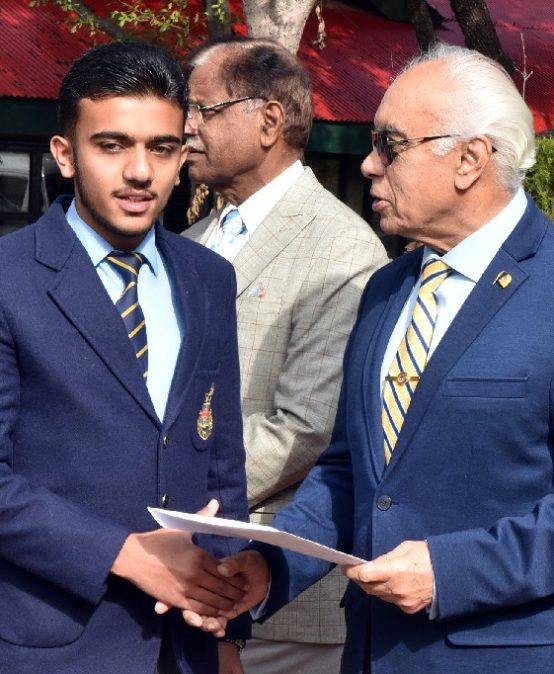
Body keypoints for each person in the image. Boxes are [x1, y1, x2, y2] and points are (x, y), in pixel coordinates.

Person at [201, 42, 554, 673]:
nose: (368, 165)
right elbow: (349, 472)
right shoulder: (387, 289)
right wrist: (273, 566)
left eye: (390, 144)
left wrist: (452, 571)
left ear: (470, 159)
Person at [0, 41, 250, 674]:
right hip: (54, 645)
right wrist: (123, 554)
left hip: (188, 647)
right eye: (112, 145)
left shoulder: (209, 277)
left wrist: (226, 627)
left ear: (182, 157)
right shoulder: (8, 279)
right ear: (65, 154)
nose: (140, 171)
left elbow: (221, 464)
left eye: (161, 148)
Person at [182, 36, 388, 673]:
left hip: (281, 598)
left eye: (203, 109)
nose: (186, 127)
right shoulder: (192, 237)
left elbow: (306, 427)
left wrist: (168, 484)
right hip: (187, 575)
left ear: (269, 120)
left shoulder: (341, 248)